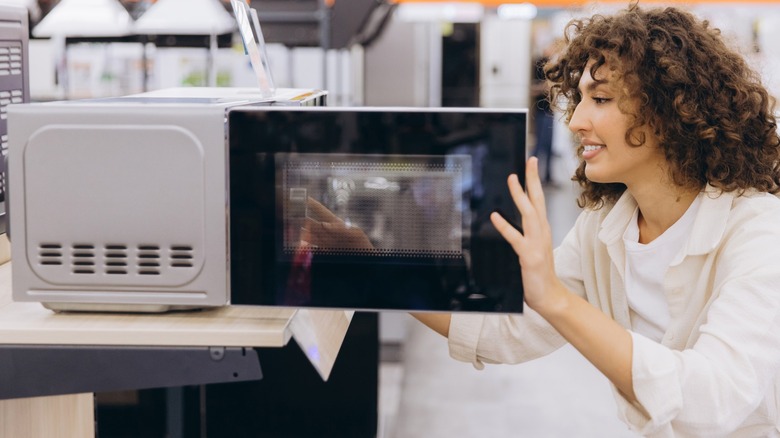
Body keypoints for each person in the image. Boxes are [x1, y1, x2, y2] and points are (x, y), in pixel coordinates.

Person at [414, 3, 780, 436]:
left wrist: (554, 297)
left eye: (600, 99)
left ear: (670, 112)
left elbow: (714, 400)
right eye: (580, 99)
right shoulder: (606, 227)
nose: (575, 121)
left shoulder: (760, 232)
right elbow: (506, 331)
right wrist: (367, 266)